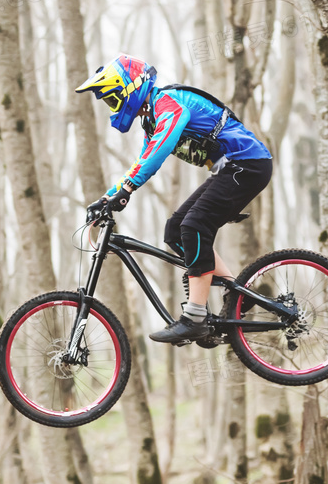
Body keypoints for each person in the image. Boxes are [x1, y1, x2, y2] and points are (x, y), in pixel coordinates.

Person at [75, 54, 272, 344]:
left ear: (129, 89)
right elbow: (142, 160)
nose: (112, 107)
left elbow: (160, 149)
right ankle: (236, 293)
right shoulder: (153, 118)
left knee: (193, 226)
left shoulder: (168, 103)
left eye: (112, 99)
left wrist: (127, 189)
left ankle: (194, 316)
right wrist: (106, 197)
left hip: (247, 164)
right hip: (230, 169)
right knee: (175, 230)